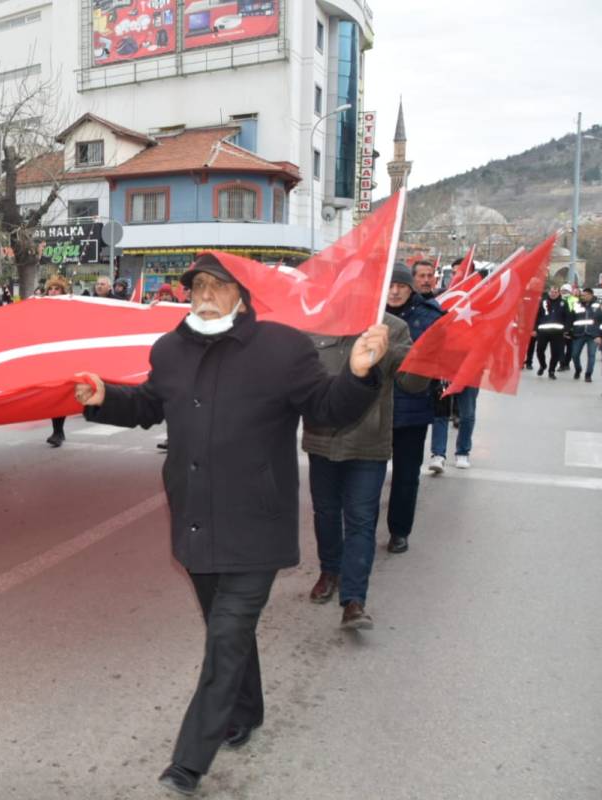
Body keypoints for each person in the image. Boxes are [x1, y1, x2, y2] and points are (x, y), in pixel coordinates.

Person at [74, 253, 387, 796]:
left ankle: (188, 762)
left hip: (256, 523)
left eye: (217, 285)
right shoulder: (169, 349)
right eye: (196, 284)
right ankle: (249, 711)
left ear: (242, 294)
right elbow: (151, 403)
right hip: (194, 517)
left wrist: (358, 374)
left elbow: (326, 408)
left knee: (224, 639)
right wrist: (106, 398)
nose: (204, 294)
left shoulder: (283, 347)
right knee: (227, 628)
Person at [304, 313, 424, 629]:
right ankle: (329, 570)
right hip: (321, 438)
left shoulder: (394, 327)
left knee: (360, 520)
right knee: (325, 513)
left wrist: (395, 350)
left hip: (368, 443)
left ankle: (354, 599)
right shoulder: (320, 319)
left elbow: (414, 382)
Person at [385, 266, 444, 554]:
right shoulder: (368, 314)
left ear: (411, 288)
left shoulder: (430, 318)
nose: (394, 291)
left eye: (400, 285)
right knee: (366, 476)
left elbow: (437, 363)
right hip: (372, 410)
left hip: (412, 409)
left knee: (406, 476)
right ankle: (362, 528)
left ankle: (399, 530)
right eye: (389, 285)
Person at [44, 275, 72, 447]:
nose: (53, 292)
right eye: (51, 289)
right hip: (46, 356)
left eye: (57, 289)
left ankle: (58, 431)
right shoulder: (40, 307)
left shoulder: (70, 308)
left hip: (63, 355)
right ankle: (57, 430)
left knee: (60, 393)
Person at [534, 285, 569, 379]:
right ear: (549, 292)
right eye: (551, 292)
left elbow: (567, 317)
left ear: (559, 293)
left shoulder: (563, 303)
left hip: (557, 333)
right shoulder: (542, 302)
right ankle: (542, 365)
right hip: (543, 332)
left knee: (555, 353)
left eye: (555, 292)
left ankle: (551, 370)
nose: (553, 294)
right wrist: (534, 329)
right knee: (539, 350)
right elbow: (536, 316)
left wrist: (566, 330)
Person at [570, 287, 601, 382]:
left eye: (585, 295)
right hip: (579, 334)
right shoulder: (577, 305)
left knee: (591, 355)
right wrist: (570, 331)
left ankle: (588, 374)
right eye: (582, 295)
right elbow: (571, 318)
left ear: (591, 295)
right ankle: (578, 369)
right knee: (574, 354)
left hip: (593, 335)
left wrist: (599, 335)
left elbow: (601, 320)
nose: (583, 297)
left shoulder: (598, 305)